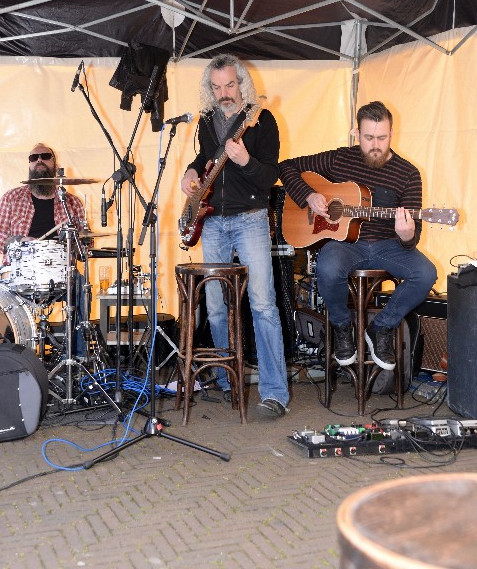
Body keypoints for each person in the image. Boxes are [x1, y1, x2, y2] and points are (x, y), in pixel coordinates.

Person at [279, 100, 437, 371]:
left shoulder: (408, 173)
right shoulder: (340, 158)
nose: (376, 144)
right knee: (327, 267)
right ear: (356, 133)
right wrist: (309, 195)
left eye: (382, 137)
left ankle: (381, 328)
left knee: (426, 273)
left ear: (391, 133)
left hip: (388, 245)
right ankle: (341, 326)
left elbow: (413, 237)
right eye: (368, 137)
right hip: (346, 245)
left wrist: (407, 234)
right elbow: (286, 167)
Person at [181, 53, 290, 419]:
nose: (224, 93)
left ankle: (274, 392)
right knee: (214, 306)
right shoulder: (208, 120)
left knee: (262, 304)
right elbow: (204, 157)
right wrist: (190, 173)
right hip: (211, 221)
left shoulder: (262, 120)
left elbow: (270, 177)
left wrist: (245, 161)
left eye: (229, 85)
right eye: (216, 87)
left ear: (242, 83)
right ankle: (229, 380)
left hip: (251, 220)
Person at [0, 143, 87, 356]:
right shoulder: (12, 198)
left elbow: (86, 244)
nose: (39, 160)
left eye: (45, 156)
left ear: (54, 163)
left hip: (58, 273)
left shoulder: (71, 203)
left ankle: (78, 357)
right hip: (16, 271)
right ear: (29, 165)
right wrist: (19, 239)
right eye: (34, 158)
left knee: (80, 285)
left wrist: (72, 240)